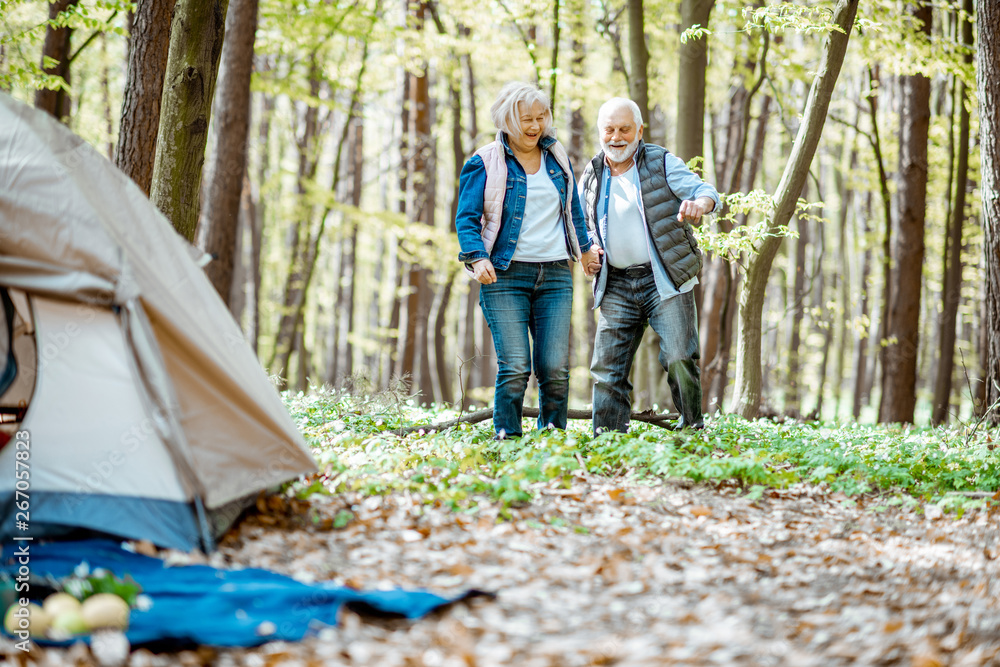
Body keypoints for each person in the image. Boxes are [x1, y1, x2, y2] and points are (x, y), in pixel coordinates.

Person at [455, 81, 601, 439]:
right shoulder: (484, 161)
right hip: (504, 275)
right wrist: (476, 258)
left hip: (554, 273)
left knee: (554, 367)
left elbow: (572, 209)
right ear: (506, 120)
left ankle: (552, 435)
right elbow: (466, 218)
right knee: (516, 365)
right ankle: (508, 438)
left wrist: (583, 249)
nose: (535, 127)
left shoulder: (556, 155)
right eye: (526, 120)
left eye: (541, 118)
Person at [579, 97, 720, 432]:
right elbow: (585, 224)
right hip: (616, 284)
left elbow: (704, 190)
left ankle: (691, 430)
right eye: (609, 130)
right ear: (600, 133)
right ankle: (608, 439)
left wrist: (699, 204)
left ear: (639, 131)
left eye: (624, 129)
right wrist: (588, 250)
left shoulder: (660, 161)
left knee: (679, 358)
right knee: (607, 367)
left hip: (664, 280)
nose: (616, 137)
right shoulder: (592, 173)